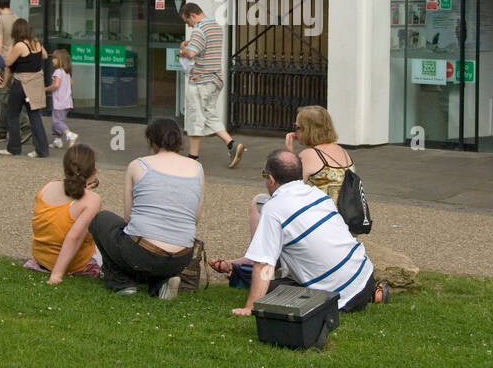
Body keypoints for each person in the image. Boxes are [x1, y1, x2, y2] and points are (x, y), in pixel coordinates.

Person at [228, 151, 388, 317]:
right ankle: (374, 294)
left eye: (264, 175)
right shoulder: (317, 195)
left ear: (272, 179)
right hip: (366, 277)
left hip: (339, 298)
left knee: (259, 282)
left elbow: (264, 264)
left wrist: (251, 305)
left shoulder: (274, 208)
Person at [89, 117, 202, 299]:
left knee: (100, 220)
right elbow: (195, 218)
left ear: (151, 141)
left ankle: (121, 282)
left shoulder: (138, 165)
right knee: (145, 247)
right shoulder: (197, 168)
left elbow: (128, 217)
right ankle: (161, 282)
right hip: (181, 257)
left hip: (143, 253)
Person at [178, 2, 244, 168]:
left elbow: (192, 53)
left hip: (201, 81)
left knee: (195, 118)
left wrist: (182, 49)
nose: (188, 25)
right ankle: (232, 145)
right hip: (215, 79)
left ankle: (192, 158)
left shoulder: (199, 29)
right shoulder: (215, 25)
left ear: (193, 15)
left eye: (187, 21)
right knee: (208, 115)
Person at [26, 144, 104, 283]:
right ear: (94, 171)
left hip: (42, 257)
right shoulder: (92, 200)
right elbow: (74, 237)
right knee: (106, 231)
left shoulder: (48, 187)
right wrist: (56, 275)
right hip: (72, 263)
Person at [0, 18, 50, 158]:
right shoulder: (36, 42)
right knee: (35, 116)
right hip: (36, 84)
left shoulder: (19, 45)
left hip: (22, 83)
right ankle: (42, 149)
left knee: (12, 114)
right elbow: (44, 55)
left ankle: (14, 148)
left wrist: (10, 49)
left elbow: (8, 62)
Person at [285, 105, 356, 204]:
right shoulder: (343, 151)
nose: (294, 131)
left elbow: (290, 189)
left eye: (297, 127)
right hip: (346, 216)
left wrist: (289, 154)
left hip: (322, 215)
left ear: (307, 130)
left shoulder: (309, 155)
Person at [0, 0, 28, 146]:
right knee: (13, 95)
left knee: (5, 96)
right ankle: (1, 129)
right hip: (18, 60)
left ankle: (25, 126)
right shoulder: (17, 19)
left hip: (5, 61)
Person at [48, 48, 78, 149]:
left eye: (54, 58)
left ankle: (70, 135)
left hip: (59, 102)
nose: (52, 60)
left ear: (60, 60)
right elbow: (72, 83)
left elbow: (56, 85)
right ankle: (57, 140)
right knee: (58, 121)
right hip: (67, 102)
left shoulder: (57, 72)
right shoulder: (66, 72)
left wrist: (46, 89)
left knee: (57, 122)